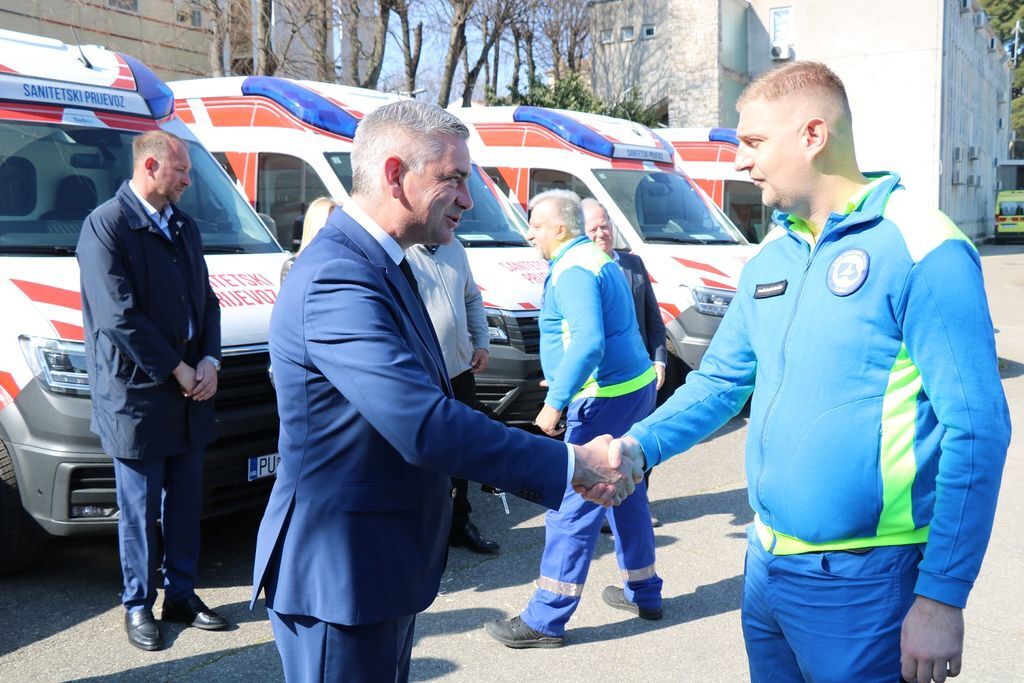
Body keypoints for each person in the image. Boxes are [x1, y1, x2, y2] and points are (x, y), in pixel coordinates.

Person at [611, 61, 1010, 682]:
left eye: (753, 141)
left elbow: (977, 429)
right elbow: (720, 382)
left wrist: (942, 595)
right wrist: (637, 447)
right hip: (767, 566)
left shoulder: (923, 245)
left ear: (813, 135)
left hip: (870, 581)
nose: (741, 161)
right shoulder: (774, 253)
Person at [251, 100, 641, 682]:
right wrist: (572, 464)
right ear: (394, 175)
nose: (468, 198)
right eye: (453, 179)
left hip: (379, 566)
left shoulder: (386, 263)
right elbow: (424, 423)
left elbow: (438, 405)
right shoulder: (339, 275)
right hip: (341, 573)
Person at [484, 190, 662, 650]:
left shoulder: (574, 268)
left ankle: (546, 618)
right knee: (626, 492)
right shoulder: (593, 259)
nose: (529, 234)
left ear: (559, 228)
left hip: (605, 400)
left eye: (535, 226)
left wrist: (555, 402)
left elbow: (588, 343)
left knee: (574, 502)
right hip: (629, 389)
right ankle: (644, 592)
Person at [77, 130, 229, 652]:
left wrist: (209, 360)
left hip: (189, 389)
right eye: (181, 170)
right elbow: (118, 316)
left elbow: (206, 300)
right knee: (140, 511)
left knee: (185, 503)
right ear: (149, 166)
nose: (188, 180)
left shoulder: (183, 226)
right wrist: (178, 370)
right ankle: (138, 603)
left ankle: (181, 595)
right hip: (137, 395)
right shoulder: (106, 225)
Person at [406, 239, 500, 554]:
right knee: (425, 454)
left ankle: (459, 523)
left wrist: (482, 342)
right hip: (422, 376)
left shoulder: (454, 248)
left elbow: (471, 297)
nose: (454, 220)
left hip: (459, 371)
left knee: (462, 449)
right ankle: (424, 530)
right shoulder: (402, 251)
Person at [583, 198, 665, 531]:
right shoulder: (581, 271)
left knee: (639, 442)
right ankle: (605, 511)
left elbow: (653, 318)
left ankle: (636, 505)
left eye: (605, 226)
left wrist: (659, 360)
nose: (600, 233)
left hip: (641, 376)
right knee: (604, 448)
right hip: (603, 381)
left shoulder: (633, 264)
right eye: (592, 229)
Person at [279, 196, 339, 282]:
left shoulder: (345, 261)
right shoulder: (293, 265)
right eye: (330, 223)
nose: (336, 229)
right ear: (316, 226)